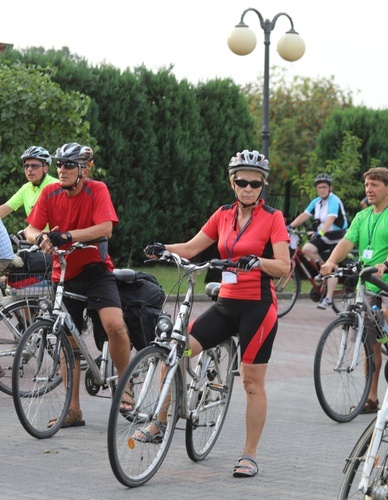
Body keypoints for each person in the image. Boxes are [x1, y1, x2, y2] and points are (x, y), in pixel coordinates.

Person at [142, 150, 290, 478]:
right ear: (232, 182)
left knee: (252, 383)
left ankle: (249, 454)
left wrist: (257, 261)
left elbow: (284, 265)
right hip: (225, 305)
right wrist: (163, 249)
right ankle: (159, 422)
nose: (248, 188)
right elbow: (194, 247)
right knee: (176, 350)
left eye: (255, 182)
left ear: (263, 184)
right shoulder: (223, 214)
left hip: (258, 309)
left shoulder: (273, 218)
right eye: (242, 182)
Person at [24, 142, 131, 428]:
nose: (62, 169)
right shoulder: (50, 192)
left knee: (116, 326)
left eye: (69, 165)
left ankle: (125, 383)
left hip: (96, 271)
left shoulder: (97, 190)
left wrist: (68, 235)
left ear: (85, 169)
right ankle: (73, 410)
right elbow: (30, 228)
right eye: (59, 164)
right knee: (66, 343)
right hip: (64, 274)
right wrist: (40, 239)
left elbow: (105, 228)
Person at [320, 167, 388, 414]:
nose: (369, 190)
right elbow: (346, 242)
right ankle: (371, 400)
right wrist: (331, 261)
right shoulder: (362, 216)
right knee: (369, 342)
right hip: (368, 281)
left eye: (375, 185)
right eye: (367, 185)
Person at [287, 173, 348, 310]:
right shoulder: (316, 202)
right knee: (307, 249)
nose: (321, 190)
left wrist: (320, 232)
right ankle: (323, 269)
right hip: (325, 237)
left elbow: (330, 220)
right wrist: (290, 226)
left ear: (330, 188)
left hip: (338, 238)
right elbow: (304, 215)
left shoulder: (334, 201)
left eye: (324, 187)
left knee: (332, 265)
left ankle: (328, 298)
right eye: (319, 187)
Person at [0, 146, 59, 221]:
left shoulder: (56, 185)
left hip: (56, 232)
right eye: (26, 166)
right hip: (33, 232)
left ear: (45, 168)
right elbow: (4, 210)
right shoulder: (26, 188)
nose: (29, 169)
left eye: (34, 166)